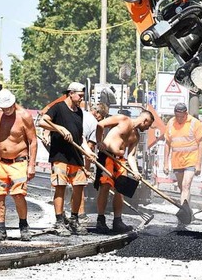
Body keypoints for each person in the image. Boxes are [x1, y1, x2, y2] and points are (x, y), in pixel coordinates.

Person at [0, 89, 37, 241]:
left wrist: (31, 165)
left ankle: (23, 227)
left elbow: (33, 141)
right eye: (3, 108)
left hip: (18, 162)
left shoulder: (24, 116)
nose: (6, 110)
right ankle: (0, 230)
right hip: (0, 162)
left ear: (13, 102)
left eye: (8, 107)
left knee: (18, 195)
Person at [39, 82, 95, 236]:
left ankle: (74, 219)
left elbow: (80, 135)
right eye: (80, 96)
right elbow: (42, 121)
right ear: (71, 93)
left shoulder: (79, 112)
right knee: (60, 186)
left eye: (82, 97)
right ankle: (58, 221)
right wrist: (60, 128)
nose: (81, 100)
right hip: (60, 155)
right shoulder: (58, 108)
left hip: (76, 156)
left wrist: (88, 151)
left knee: (79, 187)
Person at [95, 109, 154, 233]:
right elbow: (100, 125)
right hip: (107, 155)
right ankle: (100, 220)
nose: (147, 128)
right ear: (145, 120)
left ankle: (118, 221)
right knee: (105, 186)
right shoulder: (122, 119)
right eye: (148, 125)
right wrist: (99, 142)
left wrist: (135, 172)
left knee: (121, 190)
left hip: (120, 160)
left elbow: (131, 156)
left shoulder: (136, 136)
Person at [163, 102, 202, 208]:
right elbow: (167, 144)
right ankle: (188, 210)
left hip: (191, 160)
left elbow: (201, 143)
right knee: (182, 187)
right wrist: (165, 164)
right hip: (177, 161)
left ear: (186, 113)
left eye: (182, 117)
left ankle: (183, 211)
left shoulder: (195, 123)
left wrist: (198, 164)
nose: (179, 119)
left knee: (186, 185)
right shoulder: (171, 123)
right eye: (177, 116)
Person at [76, 102, 110, 226]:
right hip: (79, 156)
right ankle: (81, 215)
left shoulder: (79, 114)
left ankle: (69, 215)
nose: (102, 119)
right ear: (97, 113)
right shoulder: (95, 123)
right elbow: (89, 148)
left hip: (67, 153)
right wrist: (87, 169)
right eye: (102, 116)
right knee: (79, 184)